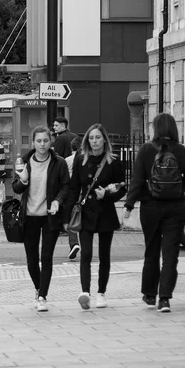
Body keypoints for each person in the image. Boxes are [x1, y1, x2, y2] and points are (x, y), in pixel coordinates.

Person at [124, 113, 185, 313]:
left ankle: (149, 294)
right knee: (170, 254)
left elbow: (137, 180)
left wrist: (129, 205)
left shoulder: (147, 150)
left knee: (152, 251)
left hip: (150, 208)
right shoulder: (181, 151)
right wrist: (178, 184)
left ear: (155, 128)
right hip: (176, 208)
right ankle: (164, 299)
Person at [64, 123, 127, 310]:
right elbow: (74, 188)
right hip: (85, 212)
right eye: (91, 138)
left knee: (104, 255)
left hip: (105, 212)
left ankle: (101, 293)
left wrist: (106, 195)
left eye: (98, 137)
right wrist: (67, 217)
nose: (94, 141)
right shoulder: (80, 159)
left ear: (104, 139)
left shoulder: (113, 161)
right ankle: (85, 292)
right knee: (86, 254)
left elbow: (122, 188)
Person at [12, 125, 70, 312]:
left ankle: (43, 296)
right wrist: (23, 179)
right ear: (33, 142)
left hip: (49, 216)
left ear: (50, 141)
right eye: (39, 141)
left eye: (45, 140)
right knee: (32, 258)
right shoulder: (25, 161)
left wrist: (57, 202)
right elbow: (16, 188)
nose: (42, 144)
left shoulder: (58, 162)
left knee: (46, 257)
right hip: (29, 216)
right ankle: (38, 288)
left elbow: (65, 186)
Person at [64, 135, 83, 259]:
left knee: (72, 218)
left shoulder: (68, 160)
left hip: (73, 193)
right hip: (85, 192)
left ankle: (74, 243)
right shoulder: (86, 159)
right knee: (83, 218)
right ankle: (84, 244)